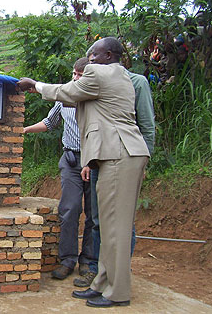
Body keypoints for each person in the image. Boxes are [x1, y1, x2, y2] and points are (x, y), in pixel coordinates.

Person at [17, 37, 150, 308]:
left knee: (116, 229)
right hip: (113, 155)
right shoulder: (119, 75)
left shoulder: (100, 73)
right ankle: (101, 283)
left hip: (119, 153)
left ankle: (117, 292)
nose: (88, 61)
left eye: (93, 56)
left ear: (108, 55)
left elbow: (68, 91)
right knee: (107, 226)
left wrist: (35, 85)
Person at [75, 65, 156, 288]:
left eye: (96, 58)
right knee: (98, 220)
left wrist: (142, 164)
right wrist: (90, 160)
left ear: (110, 57)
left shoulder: (137, 83)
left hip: (125, 158)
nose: (92, 63)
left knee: (121, 223)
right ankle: (100, 274)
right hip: (101, 159)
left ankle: (119, 274)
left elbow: (147, 126)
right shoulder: (95, 84)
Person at [23, 57, 93, 280]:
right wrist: (24, 130)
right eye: (74, 74)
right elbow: (50, 123)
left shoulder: (95, 99)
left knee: (94, 214)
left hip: (95, 161)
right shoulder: (64, 99)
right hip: (71, 160)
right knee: (70, 209)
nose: (75, 78)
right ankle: (68, 259)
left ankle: (89, 262)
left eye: (80, 75)